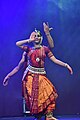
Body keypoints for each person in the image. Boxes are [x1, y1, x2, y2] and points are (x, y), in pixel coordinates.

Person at [15, 24, 73, 120]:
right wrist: (30, 40)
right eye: (35, 36)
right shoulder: (28, 49)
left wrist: (66, 65)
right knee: (36, 97)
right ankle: (38, 116)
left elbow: (54, 56)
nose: (36, 38)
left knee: (50, 92)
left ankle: (49, 116)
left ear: (41, 38)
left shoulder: (44, 49)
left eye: (38, 36)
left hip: (41, 75)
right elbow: (18, 44)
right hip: (30, 75)